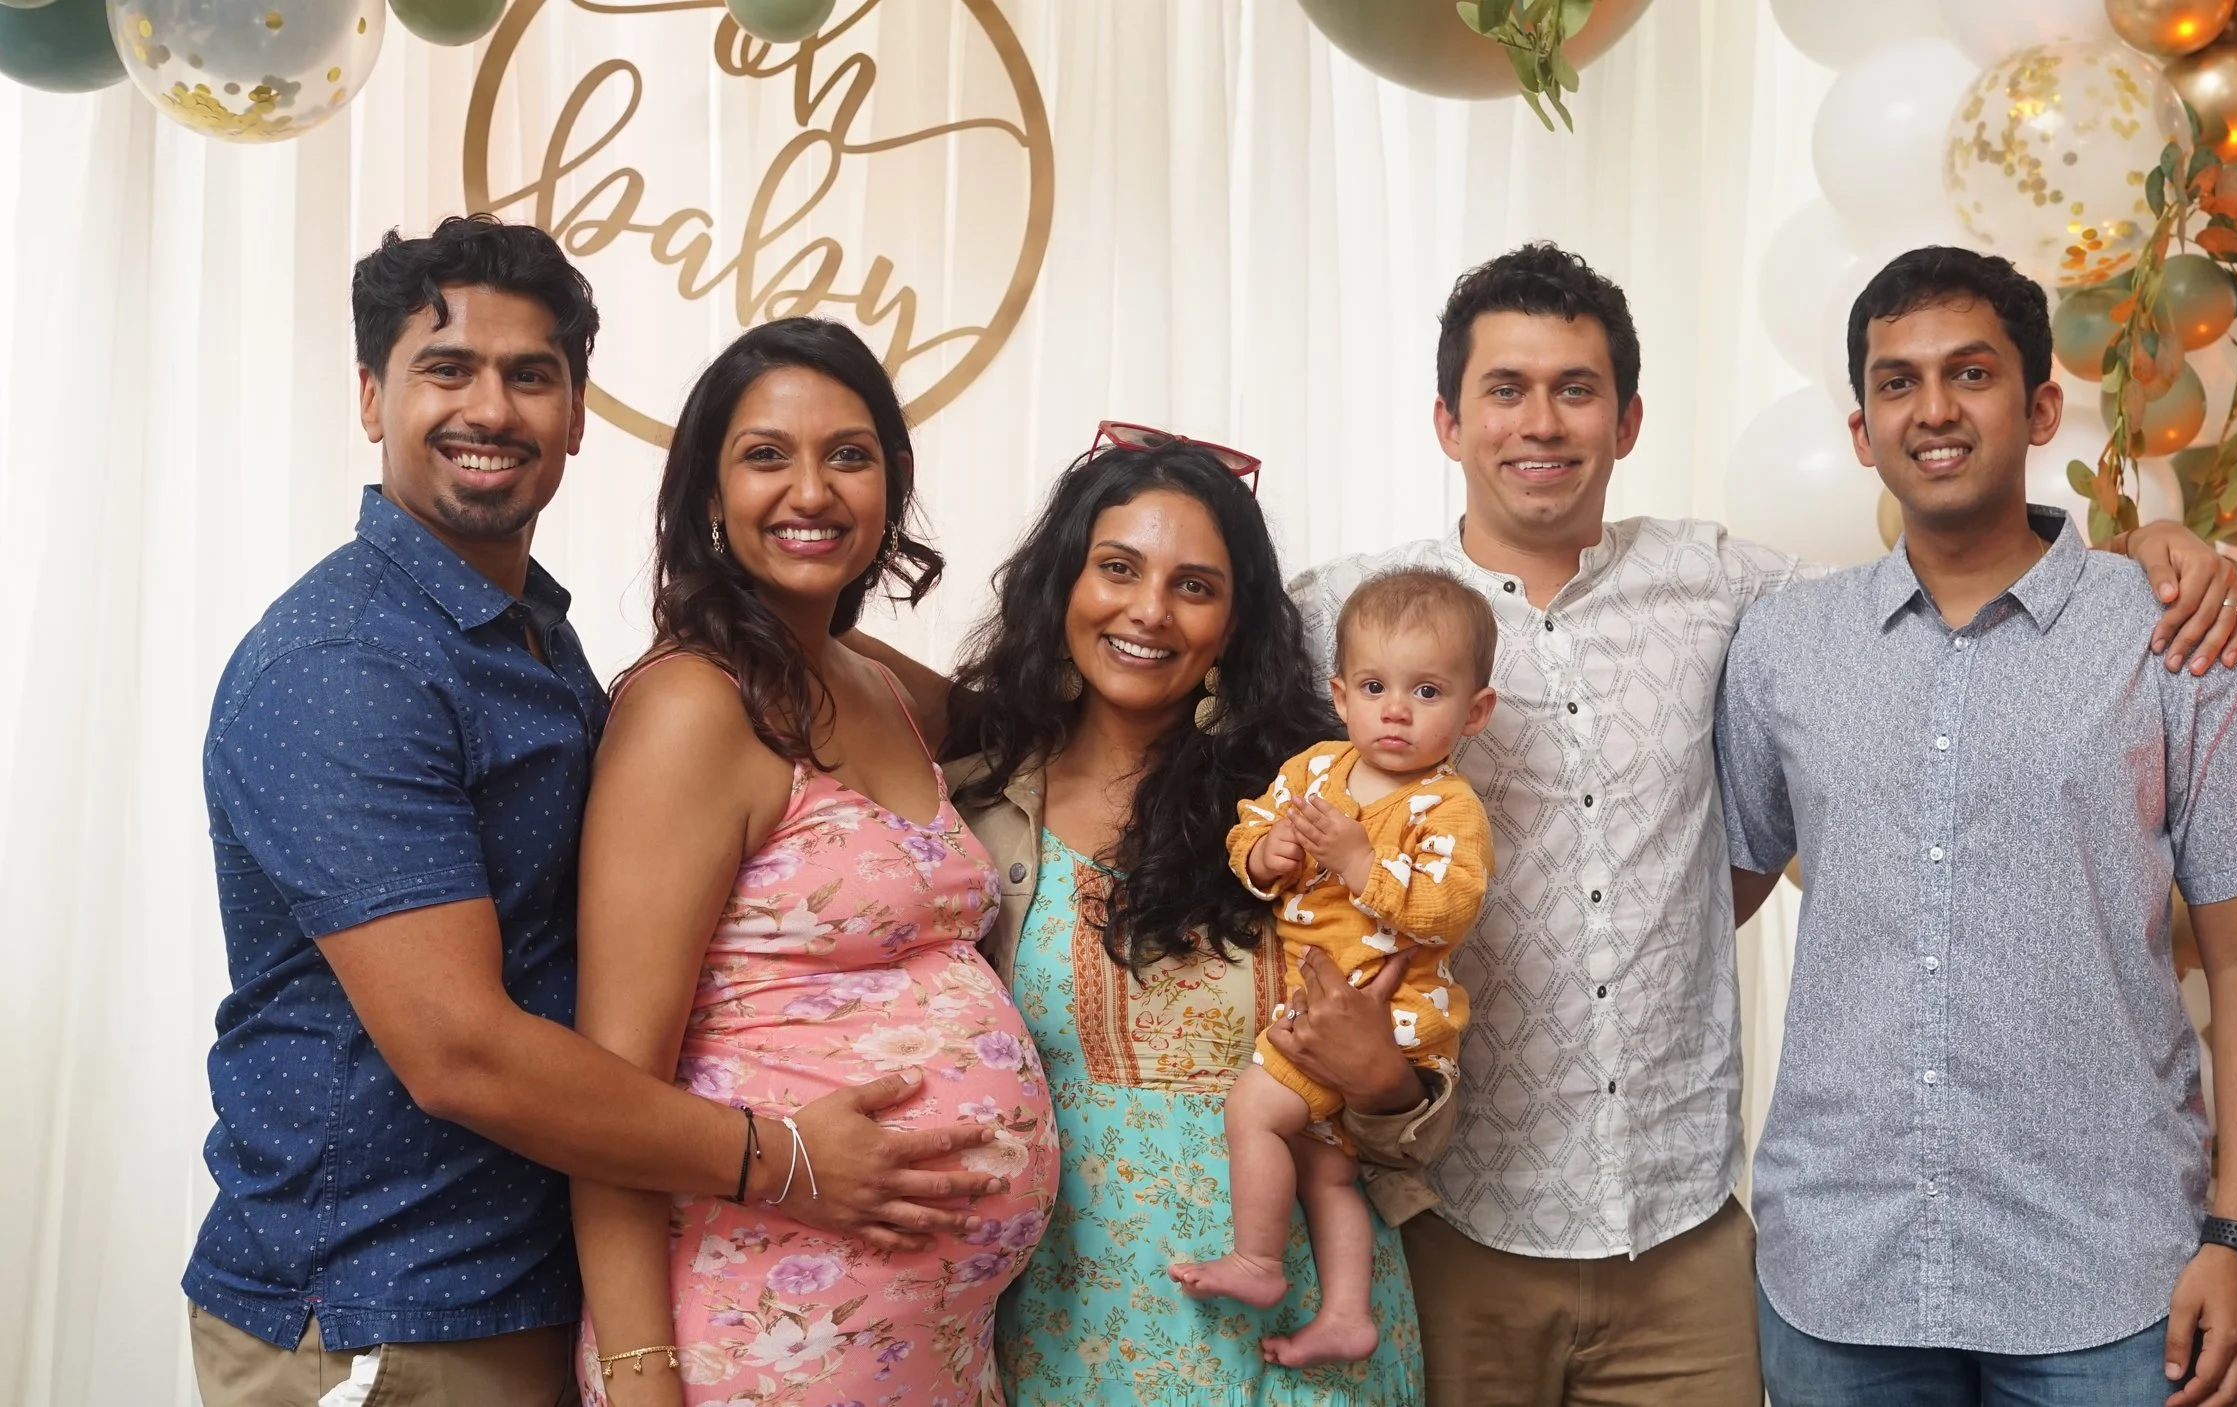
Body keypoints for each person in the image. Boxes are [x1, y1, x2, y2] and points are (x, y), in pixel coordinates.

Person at [1283, 242, 2237, 1406]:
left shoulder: (1740, 598)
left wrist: (2156, 546)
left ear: (1629, 419)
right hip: (1449, 1200)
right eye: (1504, 390)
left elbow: (1949, 584)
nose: (1540, 424)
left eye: (1576, 390)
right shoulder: (1330, 621)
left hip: (1693, 1228)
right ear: (1447, 421)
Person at [188, 218, 1002, 1407]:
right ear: (371, 397)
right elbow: (461, 1055)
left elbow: (988, 718)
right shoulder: (346, 665)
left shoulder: (525, 632)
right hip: (386, 1303)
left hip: (532, 1283)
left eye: (532, 376)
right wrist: (773, 1158)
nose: (493, 409)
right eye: (446, 368)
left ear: (576, 415)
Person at [1715, 245, 2237, 1407]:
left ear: (2040, 406)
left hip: (2107, 1277)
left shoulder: (2172, 637)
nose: (1932, 410)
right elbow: (1699, 902)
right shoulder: (1784, 649)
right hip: (1841, 1270)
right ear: (1859, 430)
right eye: (1896, 382)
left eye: (1970, 374)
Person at [873, 431, 1432, 1403]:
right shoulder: (975, 803)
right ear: (1064, 587)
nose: (1149, 611)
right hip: (1067, 1326)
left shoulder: (1316, 805)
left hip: (1298, 1332)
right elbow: (813, 651)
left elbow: (1416, 1086)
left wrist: (1386, 1080)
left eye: (1194, 586)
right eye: (1118, 568)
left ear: (1236, 621)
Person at [566, 317, 1059, 1406]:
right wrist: (642, 1382)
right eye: (765, 456)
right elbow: (610, 1095)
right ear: (706, 495)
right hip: (751, 1345)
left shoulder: (873, 680)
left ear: (890, 484)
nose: (812, 490)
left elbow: (1053, 718)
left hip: (932, 1355)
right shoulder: (689, 709)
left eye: (848, 454)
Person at [1171, 567, 1499, 1367]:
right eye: (1376, 685)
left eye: (1428, 691)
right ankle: (1348, 1313)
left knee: (1252, 1109)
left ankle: (1257, 1259)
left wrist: (1361, 864)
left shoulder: (1447, 807)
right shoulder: (1313, 770)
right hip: (1319, 1006)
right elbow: (1249, 831)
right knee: (1324, 1166)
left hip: (1385, 1017)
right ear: (1340, 693)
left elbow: (1450, 908)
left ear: (1475, 711)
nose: (1396, 709)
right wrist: (1267, 853)